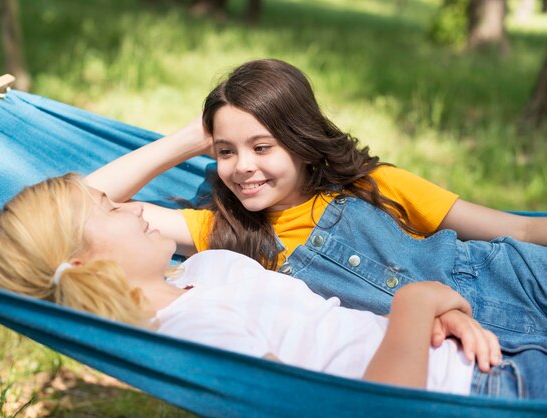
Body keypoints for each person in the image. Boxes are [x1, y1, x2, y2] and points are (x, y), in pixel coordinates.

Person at [84, 59, 547, 354]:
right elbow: (78, 206)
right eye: (226, 151)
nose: (243, 166)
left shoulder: (372, 184)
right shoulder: (226, 233)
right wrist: (190, 138)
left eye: (262, 147)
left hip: (522, 280)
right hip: (479, 355)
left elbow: (520, 231)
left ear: (302, 142)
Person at [0, 173, 547, 400]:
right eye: (108, 208)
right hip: (481, 392)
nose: (131, 207)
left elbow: (336, 326)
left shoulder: (194, 272)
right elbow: (366, 413)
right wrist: (415, 306)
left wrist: (440, 318)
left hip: (477, 343)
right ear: (78, 262)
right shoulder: (191, 335)